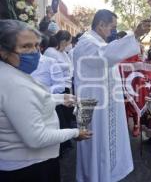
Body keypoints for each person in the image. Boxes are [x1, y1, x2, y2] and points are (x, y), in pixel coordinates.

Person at [0, 19, 91, 182]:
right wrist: (76, 132)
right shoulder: (13, 84)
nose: (34, 53)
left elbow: (30, 102)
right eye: (25, 46)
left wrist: (59, 98)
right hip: (29, 167)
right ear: (3, 51)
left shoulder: (11, 72)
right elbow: (37, 138)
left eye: (36, 46)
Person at [73, 9, 151, 182]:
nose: (113, 31)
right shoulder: (87, 42)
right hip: (94, 106)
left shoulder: (97, 41)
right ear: (101, 24)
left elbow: (110, 54)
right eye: (113, 27)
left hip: (103, 103)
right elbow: (106, 55)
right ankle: (95, 177)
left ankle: (104, 175)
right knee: (96, 147)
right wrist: (136, 33)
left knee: (103, 146)